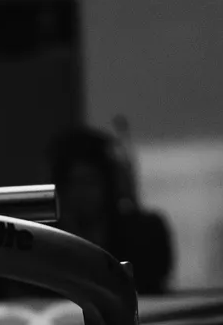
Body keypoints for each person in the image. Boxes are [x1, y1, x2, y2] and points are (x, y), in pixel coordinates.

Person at [50, 125, 174, 292]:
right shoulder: (47, 241)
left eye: (90, 182)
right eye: (74, 183)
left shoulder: (146, 232)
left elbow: (152, 282)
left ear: (109, 184)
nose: (82, 192)